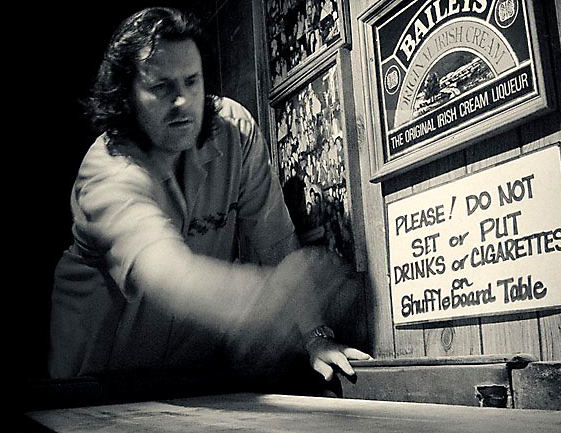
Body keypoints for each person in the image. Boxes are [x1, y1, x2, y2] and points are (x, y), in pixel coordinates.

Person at [48, 7, 370, 389]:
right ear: (127, 98)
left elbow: (277, 244)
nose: (183, 101)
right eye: (161, 87)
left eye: (191, 81)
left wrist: (315, 336)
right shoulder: (106, 168)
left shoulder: (235, 131)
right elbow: (165, 274)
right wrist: (270, 302)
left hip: (187, 377)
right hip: (95, 379)